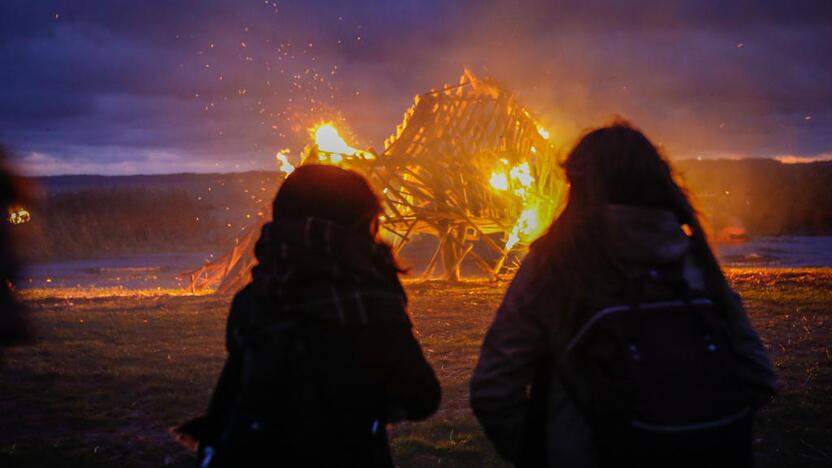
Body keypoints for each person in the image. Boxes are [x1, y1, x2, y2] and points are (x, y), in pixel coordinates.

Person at [470, 122, 776, 467]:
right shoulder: (693, 256)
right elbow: (758, 374)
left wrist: (542, 454)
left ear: (579, 184)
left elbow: (494, 389)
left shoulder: (554, 263)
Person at [177, 164, 440, 467]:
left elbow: (240, 389)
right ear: (360, 225)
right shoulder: (369, 305)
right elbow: (421, 397)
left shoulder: (253, 301)